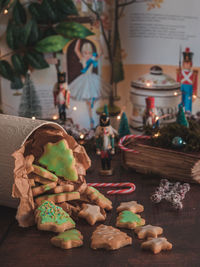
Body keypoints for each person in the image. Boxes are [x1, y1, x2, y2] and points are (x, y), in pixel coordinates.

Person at [69, 39, 110, 128]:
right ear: (83, 53)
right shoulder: (82, 59)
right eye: (85, 53)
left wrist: (99, 42)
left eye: (89, 53)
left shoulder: (93, 58)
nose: (87, 55)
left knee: (93, 98)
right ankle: (91, 119)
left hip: (92, 78)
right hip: (84, 79)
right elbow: (76, 50)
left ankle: (92, 116)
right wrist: (78, 40)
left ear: (91, 53)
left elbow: (101, 52)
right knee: (88, 99)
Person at [177, 47, 198, 113]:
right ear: (183, 64)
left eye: (188, 63)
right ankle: (180, 114)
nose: (186, 65)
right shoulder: (179, 72)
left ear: (191, 64)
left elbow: (195, 84)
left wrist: (194, 93)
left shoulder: (194, 73)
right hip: (181, 89)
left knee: (188, 103)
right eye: (185, 63)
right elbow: (178, 82)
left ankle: (187, 114)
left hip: (189, 90)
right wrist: (177, 91)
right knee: (181, 102)